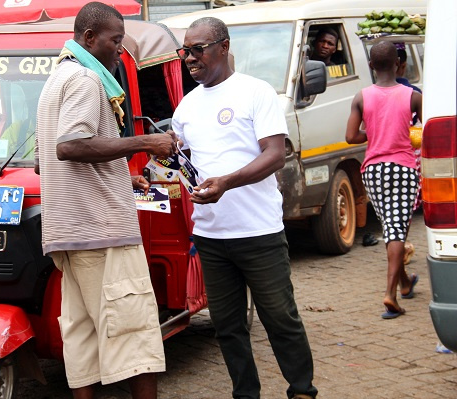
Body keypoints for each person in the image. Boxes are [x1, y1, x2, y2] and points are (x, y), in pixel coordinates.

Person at [34, 3, 177, 398]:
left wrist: (120, 175)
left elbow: (44, 161)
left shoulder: (55, 80)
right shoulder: (84, 80)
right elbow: (70, 146)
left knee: (82, 334)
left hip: (69, 233)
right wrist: (148, 141)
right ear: (89, 38)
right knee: (134, 332)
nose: (119, 48)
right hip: (102, 232)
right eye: (115, 40)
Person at [172, 17, 318, 399]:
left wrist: (226, 183)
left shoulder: (256, 92)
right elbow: (184, 164)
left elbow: (274, 156)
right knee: (227, 325)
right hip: (211, 235)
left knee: (280, 318)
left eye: (197, 49)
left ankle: (301, 389)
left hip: (259, 232)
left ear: (223, 46)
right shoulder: (186, 106)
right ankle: (245, 393)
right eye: (184, 51)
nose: (189, 58)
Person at [346, 41, 422, 320]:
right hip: (403, 167)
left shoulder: (361, 97)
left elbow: (351, 137)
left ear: (370, 66)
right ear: (399, 64)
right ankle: (390, 294)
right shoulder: (413, 96)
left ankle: (404, 284)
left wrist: (374, 132)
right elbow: (423, 132)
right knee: (397, 231)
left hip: (373, 171)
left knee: (391, 228)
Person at [395, 43, 422, 265]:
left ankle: (396, 244)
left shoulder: (368, 94)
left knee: (389, 210)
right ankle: (402, 243)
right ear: (403, 66)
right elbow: (419, 130)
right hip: (408, 157)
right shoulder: (414, 94)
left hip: (378, 160)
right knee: (407, 205)